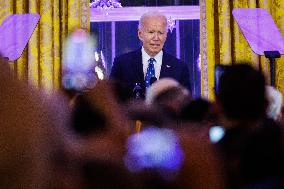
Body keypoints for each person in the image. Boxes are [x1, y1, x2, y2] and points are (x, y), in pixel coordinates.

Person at [110, 11, 190, 98]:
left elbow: (185, 104)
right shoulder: (122, 64)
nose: (156, 38)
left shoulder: (180, 68)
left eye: (160, 33)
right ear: (140, 34)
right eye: (151, 32)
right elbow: (111, 99)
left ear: (166, 35)